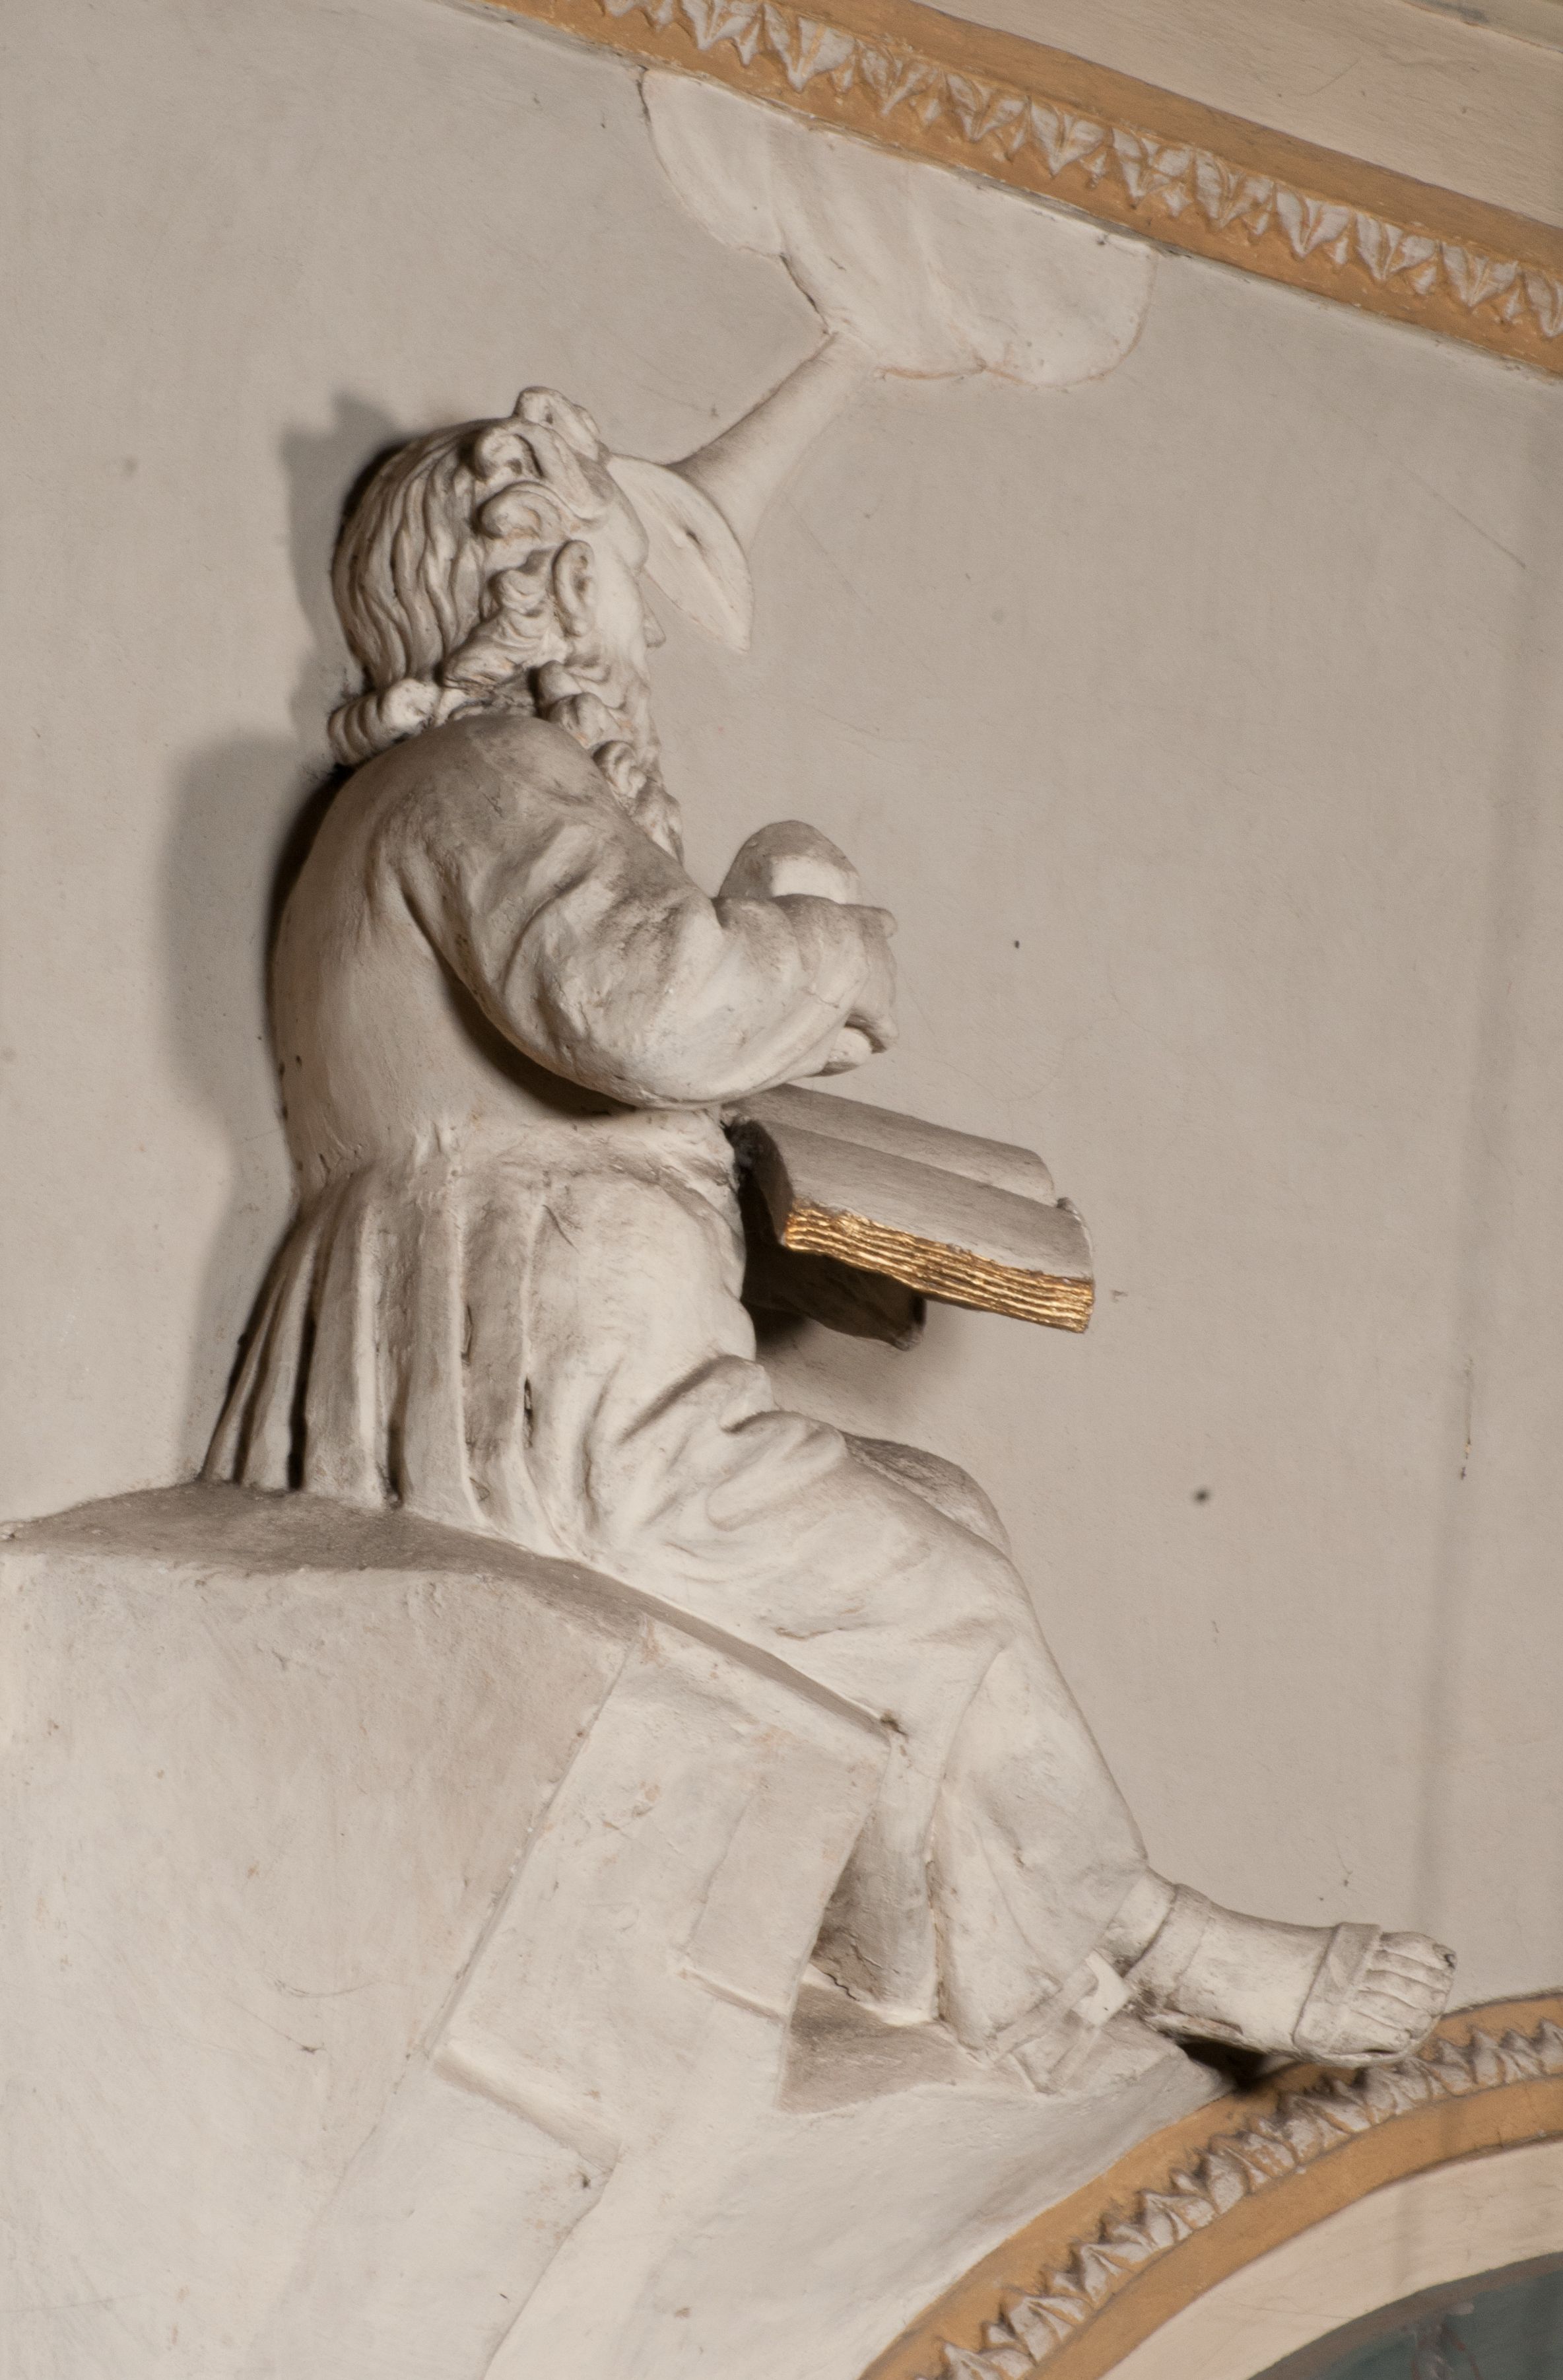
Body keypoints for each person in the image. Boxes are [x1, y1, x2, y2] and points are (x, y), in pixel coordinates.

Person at [208, 388, 1453, 2086]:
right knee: (929, 1587)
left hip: (527, 1326)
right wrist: (824, 939)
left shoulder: (429, 793)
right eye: (624, 570)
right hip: (543, 1371)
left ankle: (922, 1965)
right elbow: (645, 1006)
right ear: (546, 581)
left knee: (940, 1509)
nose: (648, 626)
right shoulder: (486, 774)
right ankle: (1153, 1940)